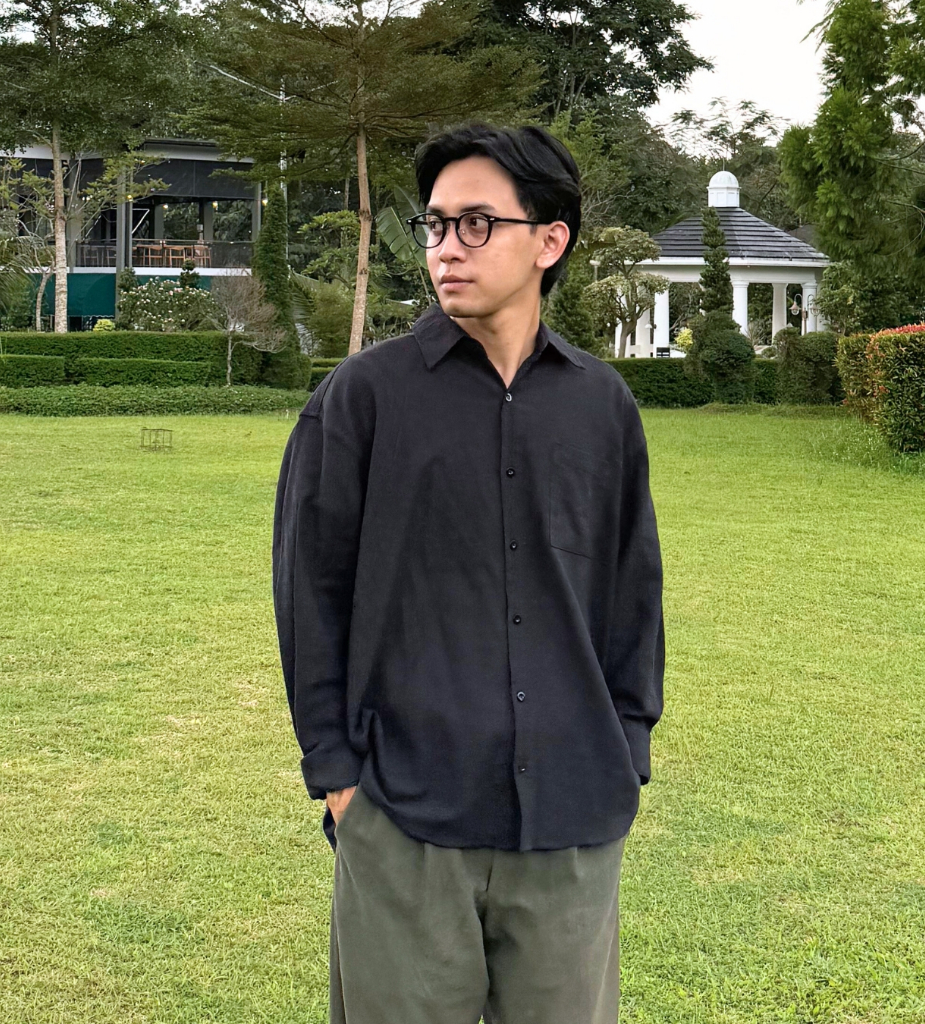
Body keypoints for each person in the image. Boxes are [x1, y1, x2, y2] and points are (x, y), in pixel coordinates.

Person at [272, 123, 664, 1024]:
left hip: (570, 820)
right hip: (404, 819)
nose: (447, 247)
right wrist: (339, 777)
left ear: (550, 241)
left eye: (477, 224)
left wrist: (627, 746)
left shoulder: (602, 407)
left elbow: (631, 593)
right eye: (437, 224)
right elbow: (310, 594)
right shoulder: (361, 400)